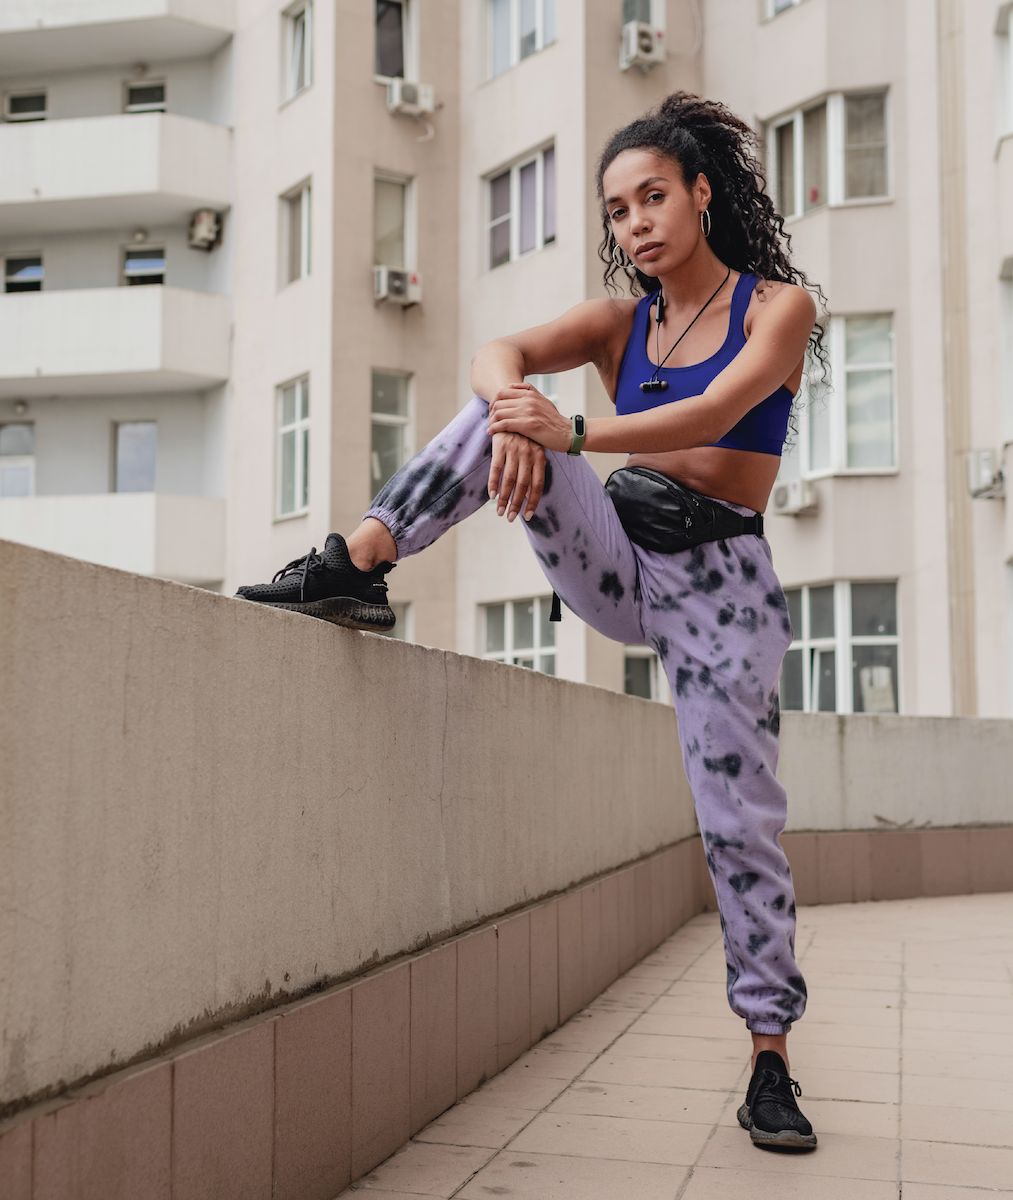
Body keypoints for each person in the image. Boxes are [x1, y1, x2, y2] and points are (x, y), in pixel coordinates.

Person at [237, 92, 826, 1151]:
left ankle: (770, 1057)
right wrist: (525, 417)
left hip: (723, 582)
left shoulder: (777, 306)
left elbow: (719, 410)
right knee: (498, 406)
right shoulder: (617, 322)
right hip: (621, 552)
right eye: (615, 208)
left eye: (654, 196)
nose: (635, 222)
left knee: (740, 825)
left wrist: (576, 426)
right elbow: (496, 351)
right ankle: (358, 562)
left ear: (701, 193)